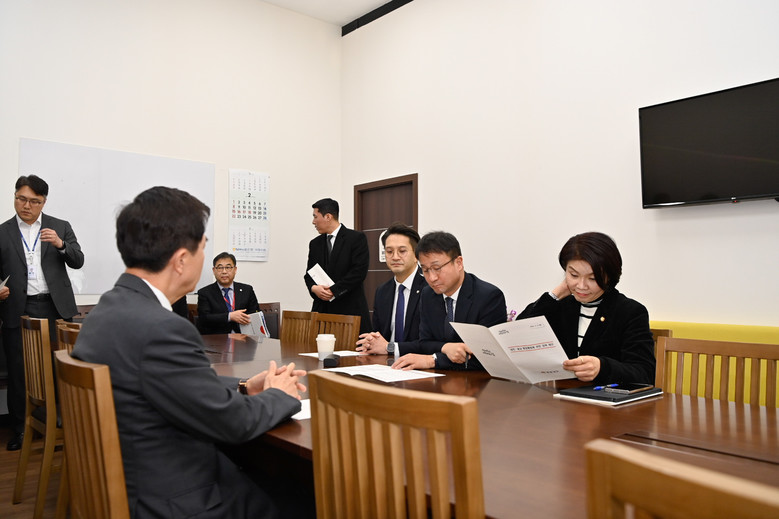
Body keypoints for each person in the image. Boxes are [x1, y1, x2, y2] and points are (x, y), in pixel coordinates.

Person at [72, 186, 305, 518]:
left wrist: (242, 386)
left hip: (137, 480)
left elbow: (165, 382)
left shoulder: (107, 311)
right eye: (203, 248)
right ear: (182, 260)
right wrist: (280, 394)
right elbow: (234, 423)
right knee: (312, 495)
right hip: (177, 498)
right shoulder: (162, 328)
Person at [0, 174, 84, 451]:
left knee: (59, 368)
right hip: (18, 307)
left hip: (55, 308)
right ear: (15, 197)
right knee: (19, 371)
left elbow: (78, 260)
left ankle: (58, 426)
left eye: (34, 201)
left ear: (43, 202)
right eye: (21, 199)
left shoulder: (60, 227)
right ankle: (21, 429)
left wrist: (61, 244)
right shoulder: (2, 232)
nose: (26, 206)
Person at [517, 231, 655, 384]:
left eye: (593, 278)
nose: (581, 286)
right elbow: (518, 335)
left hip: (604, 397)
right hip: (560, 394)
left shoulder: (630, 312)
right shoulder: (560, 306)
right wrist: (556, 294)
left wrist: (602, 367)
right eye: (574, 275)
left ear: (610, 276)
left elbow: (645, 373)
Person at [392, 231, 506, 370]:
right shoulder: (428, 294)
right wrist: (446, 347)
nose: (432, 278)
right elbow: (424, 343)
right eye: (425, 270)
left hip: (477, 379)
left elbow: (489, 356)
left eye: (437, 268)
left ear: (458, 263)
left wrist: (434, 360)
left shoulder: (489, 297)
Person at [356, 223, 426, 356]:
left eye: (402, 251)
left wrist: (391, 347)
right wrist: (371, 343)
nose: (395, 257)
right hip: (385, 362)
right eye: (389, 251)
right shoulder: (382, 291)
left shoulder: (430, 289)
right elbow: (378, 334)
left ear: (416, 255)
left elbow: (429, 343)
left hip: (418, 363)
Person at [304, 198, 371, 333]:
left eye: (315, 217)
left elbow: (358, 272)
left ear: (328, 216)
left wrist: (333, 291)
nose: (313, 222)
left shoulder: (356, 238)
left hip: (349, 309)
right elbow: (309, 274)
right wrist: (314, 288)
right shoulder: (315, 244)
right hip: (322, 310)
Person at [197, 252, 259, 334]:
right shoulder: (205, 293)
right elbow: (204, 318)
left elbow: (255, 314)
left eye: (228, 267)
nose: (224, 271)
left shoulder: (247, 290)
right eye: (220, 268)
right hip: (217, 338)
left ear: (235, 269)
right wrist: (229, 316)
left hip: (243, 337)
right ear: (214, 270)